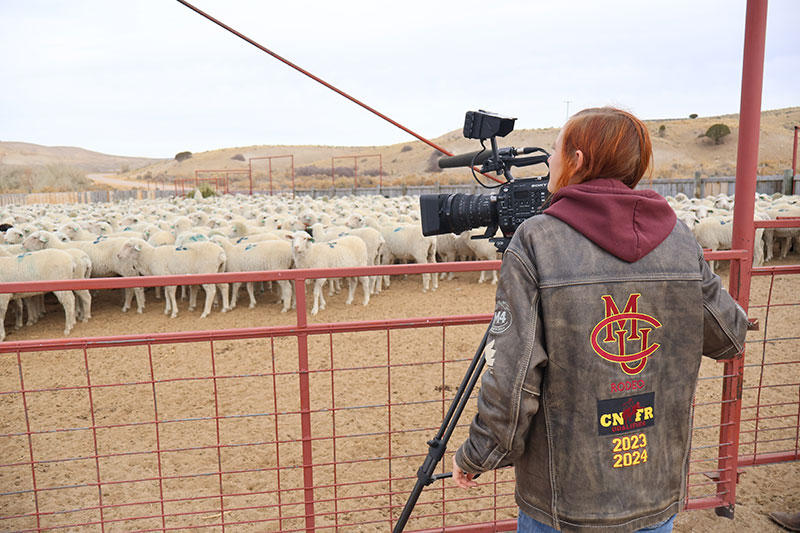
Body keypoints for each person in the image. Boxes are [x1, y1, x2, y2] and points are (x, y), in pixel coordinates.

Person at [451, 107, 749, 532]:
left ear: (577, 160)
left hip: (565, 501)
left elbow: (514, 378)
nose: (549, 161)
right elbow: (729, 336)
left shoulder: (536, 240)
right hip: (653, 490)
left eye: (554, 151)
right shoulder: (680, 237)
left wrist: (479, 453)